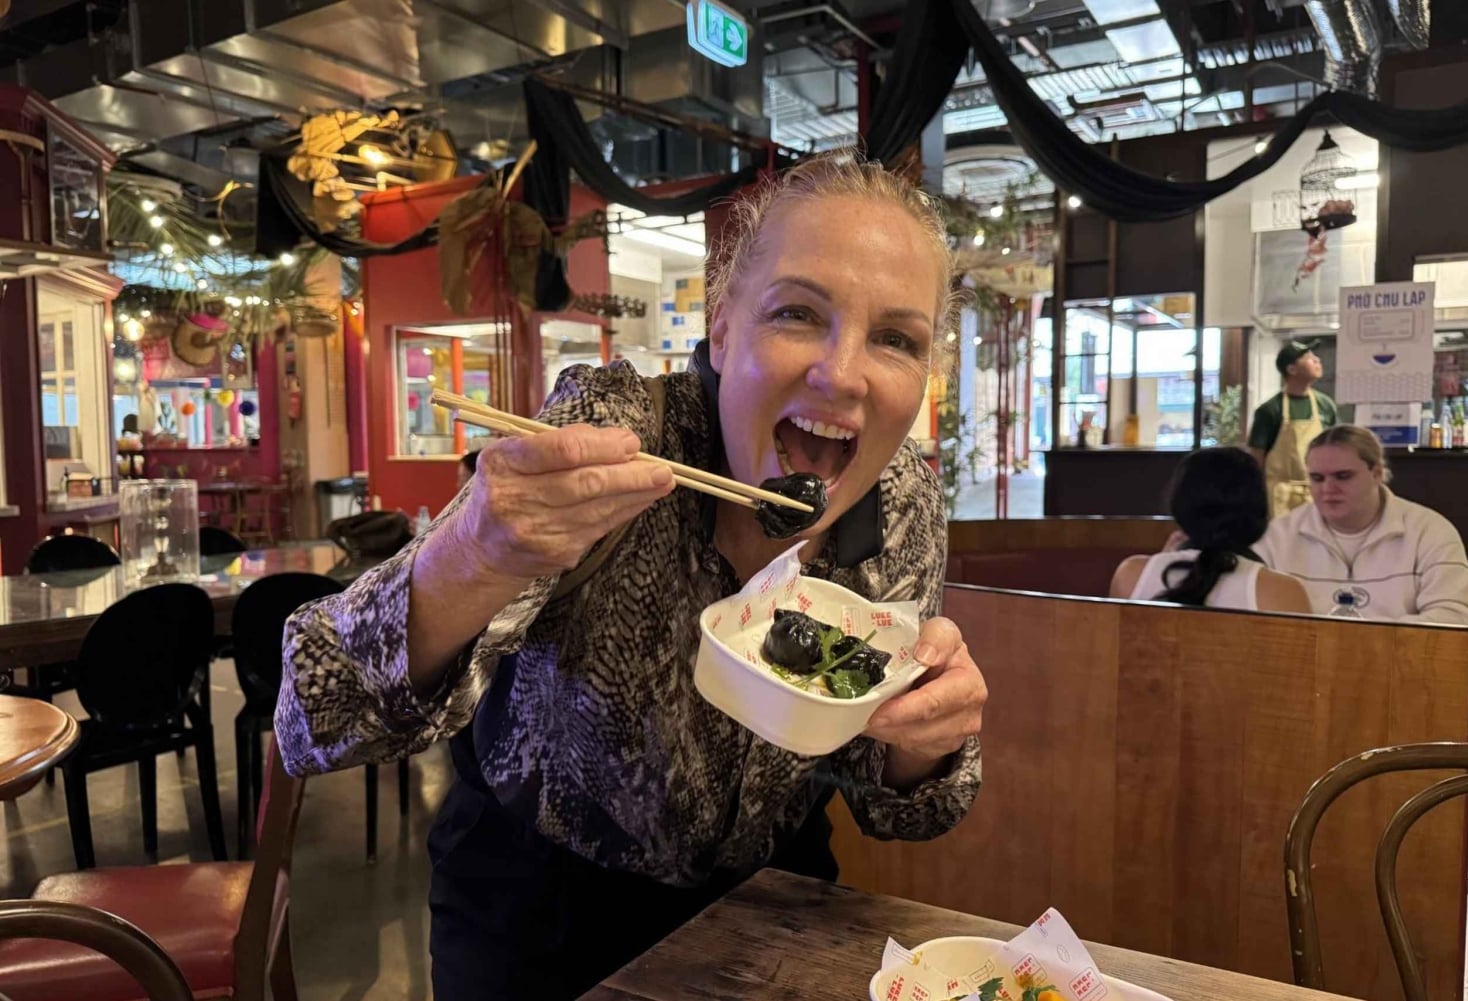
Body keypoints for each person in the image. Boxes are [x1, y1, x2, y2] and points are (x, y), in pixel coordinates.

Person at [275, 153, 988, 1001]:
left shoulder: (902, 497)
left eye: (896, 338)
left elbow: (896, 806)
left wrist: (926, 745)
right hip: (541, 916)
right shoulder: (615, 435)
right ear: (723, 329)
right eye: (798, 313)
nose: (842, 372)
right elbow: (309, 714)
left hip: (775, 908)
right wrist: (473, 552)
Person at [1255, 424, 1468, 630]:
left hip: (1397, 672)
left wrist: (1357, 643)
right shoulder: (1277, 537)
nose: (1328, 488)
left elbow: (1455, 623)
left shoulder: (1430, 532)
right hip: (1303, 669)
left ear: (1377, 473)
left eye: (1343, 476)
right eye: (1317, 478)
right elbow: (1248, 619)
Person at [1111, 447, 1311, 613]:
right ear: (1259, 511)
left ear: (1180, 506)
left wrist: (1161, 561)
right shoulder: (1281, 592)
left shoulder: (1131, 574)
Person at [1248, 340, 1338, 518]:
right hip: (1280, 496)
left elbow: (1336, 448)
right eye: (1309, 358)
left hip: (1317, 492)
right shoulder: (1270, 410)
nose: (1317, 360)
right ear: (1292, 369)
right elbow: (1257, 458)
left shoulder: (1325, 405)